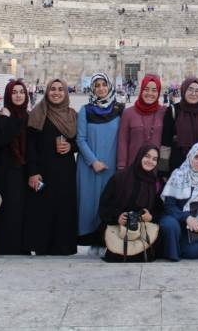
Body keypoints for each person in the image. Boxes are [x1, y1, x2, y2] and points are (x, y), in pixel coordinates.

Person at [24, 79, 79, 256]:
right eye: (52, 89)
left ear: (66, 93)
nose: (56, 93)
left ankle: (64, 247)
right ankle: (43, 246)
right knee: (43, 209)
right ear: (47, 92)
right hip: (43, 170)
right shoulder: (38, 113)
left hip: (66, 171)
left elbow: (79, 141)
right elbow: (30, 146)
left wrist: (71, 146)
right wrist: (33, 172)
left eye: (60, 89)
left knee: (64, 208)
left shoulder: (72, 115)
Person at [76, 72, 125, 256]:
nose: (101, 89)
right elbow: (80, 139)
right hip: (89, 166)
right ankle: (92, 241)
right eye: (97, 86)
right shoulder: (85, 110)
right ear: (92, 89)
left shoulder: (119, 109)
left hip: (111, 164)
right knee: (90, 204)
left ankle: (107, 240)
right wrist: (93, 162)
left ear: (109, 86)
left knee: (109, 202)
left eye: (104, 84)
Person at [98, 144, 163, 262]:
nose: (150, 161)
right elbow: (103, 207)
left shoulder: (155, 183)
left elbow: (160, 210)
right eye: (147, 156)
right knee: (117, 256)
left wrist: (150, 217)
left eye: (154, 159)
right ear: (139, 156)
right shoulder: (120, 178)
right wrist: (117, 217)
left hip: (142, 229)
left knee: (148, 253)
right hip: (117, 228)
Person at [0, 80, 30, 255]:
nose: (18, 95)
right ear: (8, 95)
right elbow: (0, 141)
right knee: (5, 209)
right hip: (4, 171)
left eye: (21, 92)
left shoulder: (28, 117)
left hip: (23, 169)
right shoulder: (1, 116)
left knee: (21, 209)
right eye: (14, 92)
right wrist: (6, 119)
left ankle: (21, 246)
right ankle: (1, 246)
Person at [159, 142, 198, 261]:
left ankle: (172, 247)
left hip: (193, 226)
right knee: (170, 225)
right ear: (190, 156)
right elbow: (169, 206)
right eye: (197, 157)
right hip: (174, 217)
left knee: (193, 251)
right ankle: (172, 253)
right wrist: (186, 217)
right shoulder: (178, 175)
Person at [161, 77, 198, 174]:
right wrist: (163, 170)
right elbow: (165, 143)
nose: (193, 94)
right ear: (183, 90)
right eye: (190, 89)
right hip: (178, 167)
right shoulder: (173, 110)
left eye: (197, 91)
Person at [117, 74, 166, 170]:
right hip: (133, 168)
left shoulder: (163, 112)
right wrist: (121, 166)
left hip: (154, 169)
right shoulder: (128, 113)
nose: (150, 93)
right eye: (146, 89)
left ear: (158, 92)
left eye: (154, 90)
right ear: (141, 90)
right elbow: (123, 141)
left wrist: (164, 169)